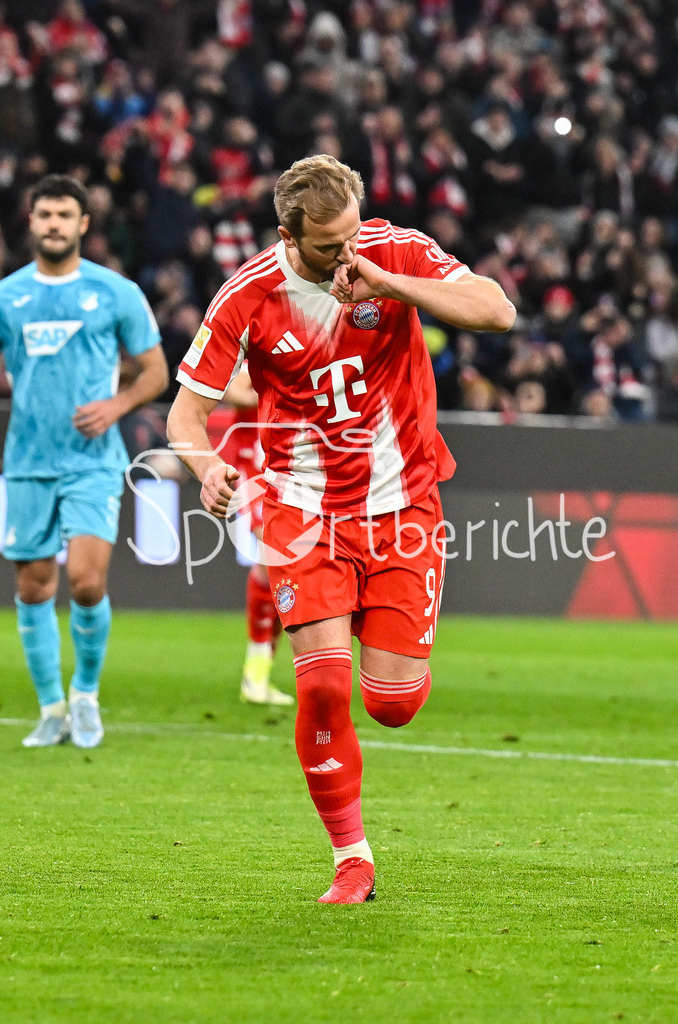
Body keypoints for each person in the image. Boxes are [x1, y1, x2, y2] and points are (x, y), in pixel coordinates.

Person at [167, 154, 515, 903]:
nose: (346, 255)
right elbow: (185, 415)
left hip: (404, 504)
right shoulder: (247, 295)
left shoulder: (390, 250)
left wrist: (392, 284)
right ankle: (351, 858)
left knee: (393, 704)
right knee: (322, 689)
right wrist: (206, 468)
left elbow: (497, 309)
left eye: (352, 236)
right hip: (303, 509)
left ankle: (378, 637)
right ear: (288, 234)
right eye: (329, 246)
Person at [0, 174, 168, 748]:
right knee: (35, 585)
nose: (53, 225)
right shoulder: (7, 296)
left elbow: (156, 371)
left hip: (92, 460)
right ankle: (50, 709)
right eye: (44, 214)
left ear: (83, 224)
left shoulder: (114, 292)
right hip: (26, 461)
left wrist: (117, 405)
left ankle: (86, 696)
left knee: (87, 583)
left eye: (64, 216)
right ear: (31, 220)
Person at [217, 367, 293, 707]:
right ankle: (256, 672)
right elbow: (234, 391)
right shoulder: (261, 333)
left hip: (294, 464)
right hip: (257, 464)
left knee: (283, 570)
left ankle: (260, 670)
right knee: (272, 559)